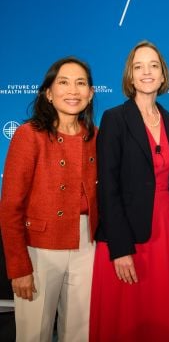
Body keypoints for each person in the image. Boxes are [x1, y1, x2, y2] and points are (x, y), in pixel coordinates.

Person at [89, 41, 169, 341]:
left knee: (166, 312)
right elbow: (107, 187)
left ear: (162, 76)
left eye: (153, 66)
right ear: (130, 77)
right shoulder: (114, 119)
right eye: (138, 66)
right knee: (126, 321)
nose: (146, 72)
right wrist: (120, 249)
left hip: (168, 234)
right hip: (126, 237)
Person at [0, 57, 97, 341]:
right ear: (48, 93)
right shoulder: (29, 135)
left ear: (90, 94)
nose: (73, 90)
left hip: (86, 246)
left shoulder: (96, 137)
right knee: (34, 333)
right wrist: (19, 268)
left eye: (81, 83)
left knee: (80, 332)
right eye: (63, 82)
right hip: (39, 248)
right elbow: (10, 207)